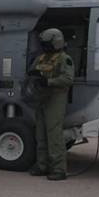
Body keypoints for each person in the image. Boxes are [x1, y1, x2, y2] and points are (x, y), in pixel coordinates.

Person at [27, 28, 75, 181]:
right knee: (40, 134)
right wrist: (35, 77)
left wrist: (48, 81)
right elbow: (32, 72)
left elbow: (68, 79)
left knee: (54, 135)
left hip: (55, 98)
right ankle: (42, 165)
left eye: (47, 44)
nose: (45, 47)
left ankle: (59, 169)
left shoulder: (64, 59)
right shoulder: (41, 58)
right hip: (41, 98)